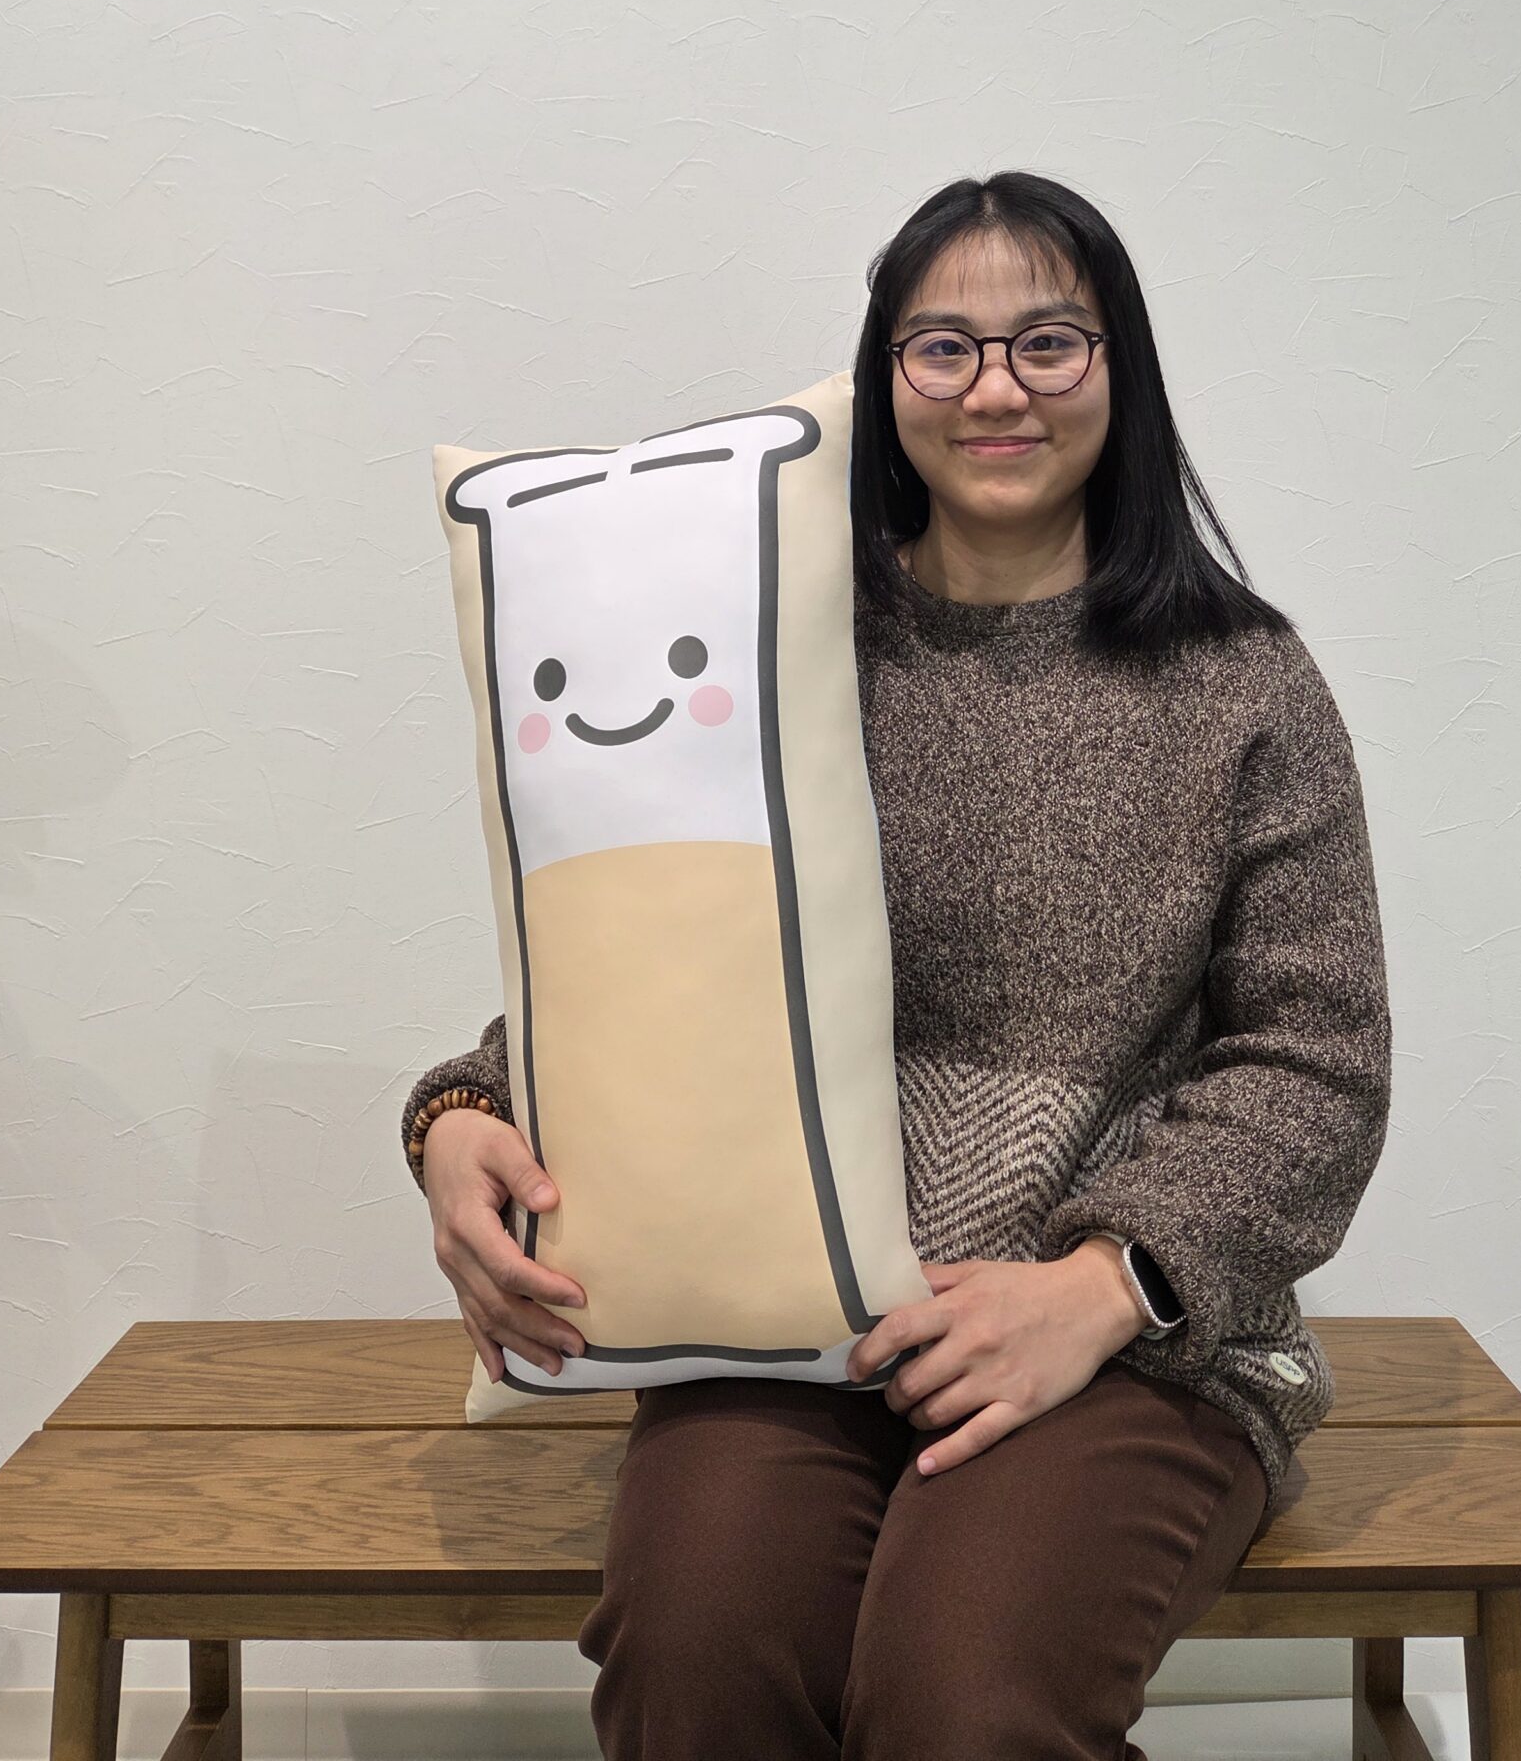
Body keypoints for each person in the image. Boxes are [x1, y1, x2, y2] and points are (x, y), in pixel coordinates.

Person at [401, 169, 1394, 1761]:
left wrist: (1106, 1284)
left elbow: (1316, 1063)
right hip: (790, 1317)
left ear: (1121, 370)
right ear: (884, 382)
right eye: (945, 347)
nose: (996, 389)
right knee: (698, 1664)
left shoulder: (1243, 682)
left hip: (1134, 1336)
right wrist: (460, 1113)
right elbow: (656, 943)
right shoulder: (771, 645)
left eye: (1049, 342)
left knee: (961, 1708)